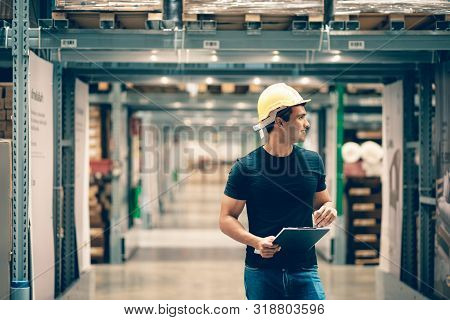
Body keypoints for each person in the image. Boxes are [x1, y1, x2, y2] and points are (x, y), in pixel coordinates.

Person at [219, 83, 337, 300]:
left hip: (305, 269)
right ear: (280, 122)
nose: (306, 123)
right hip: (261, 272)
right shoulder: (246, 167)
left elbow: (323, 202)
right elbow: (226, 218)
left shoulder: (313, 161)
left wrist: (329, 209)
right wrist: (255, 242)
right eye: (300, 117)